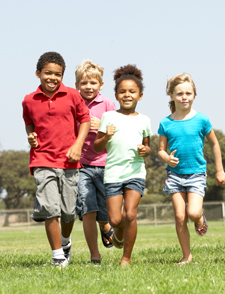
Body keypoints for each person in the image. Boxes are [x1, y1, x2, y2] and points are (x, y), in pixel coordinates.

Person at [22, 52, 91, 267]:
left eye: (57, 74)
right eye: (47, 73)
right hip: (42, 160)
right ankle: (57, 256)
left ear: (63, 75)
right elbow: (29, 123)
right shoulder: (29, 100)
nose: (52, 78)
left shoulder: (72, 95)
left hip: (69, 161)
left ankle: (65, 241)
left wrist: (78, 145)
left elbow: (85, 119)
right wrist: (31, 137)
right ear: (38, 73)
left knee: (69, 212)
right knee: (50, 208)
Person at [158, 73, 225, 265]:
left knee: (193, 213)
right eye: (179, 93)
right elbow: (161, 151)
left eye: (188, 93)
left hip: (196, 173)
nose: (184, 97)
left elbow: (215, 144)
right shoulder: (166, 123)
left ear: (194, 95)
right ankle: (186, 256)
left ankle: (199, 219)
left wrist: (219, 170)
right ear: (171, 95)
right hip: (174, 175)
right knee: (180, 216)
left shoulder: (202, 120)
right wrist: (167, 158)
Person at [94, 64, 152, 266]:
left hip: (135, 172)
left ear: (140, 96)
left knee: (130, 214)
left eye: (132, 92)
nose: (127, 95)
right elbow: (97, 145)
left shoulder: (145, 120)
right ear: (117, 95)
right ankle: (118, 234)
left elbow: (147, 147)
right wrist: (106, 135)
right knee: (116, 220)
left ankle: (126, 257)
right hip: (113, 174)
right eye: (123, 91)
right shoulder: (108, 117)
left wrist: (146, 151)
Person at [74, 60, 116, 264]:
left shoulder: (107, 104)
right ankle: (94, 255)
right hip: (82, 166)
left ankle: (106, 225)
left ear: (101, 85)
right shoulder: (74, 103)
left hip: (106, 163)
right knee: (87, 208)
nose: (88, 87)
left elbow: (117, 131)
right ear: (77, 85)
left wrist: (103, 125)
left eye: (93, 83)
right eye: (83, 83)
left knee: (106, 210)